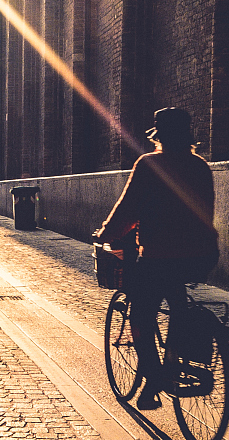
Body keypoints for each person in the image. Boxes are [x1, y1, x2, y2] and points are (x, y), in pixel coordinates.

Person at [93, 107, 219, 410]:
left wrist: (105, 235)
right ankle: (172, 363)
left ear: (158, 136)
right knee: (177, 301)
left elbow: (128, 208)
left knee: (141, 313)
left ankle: (154, 375)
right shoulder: (201, 166)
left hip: (160, 255)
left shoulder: (149, 164)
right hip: (201, 255)